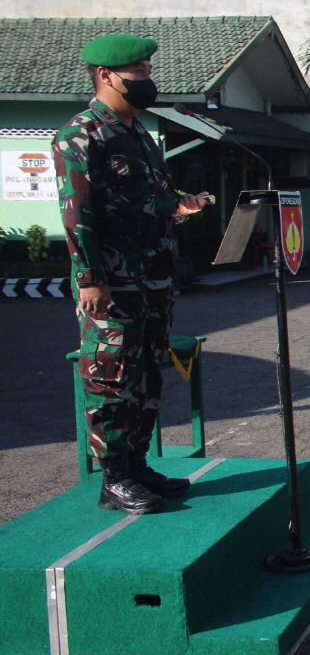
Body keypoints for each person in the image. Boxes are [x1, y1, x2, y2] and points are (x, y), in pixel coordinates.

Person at [53, 33, 212, 514]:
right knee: (111, 377)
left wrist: (182, 204)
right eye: (139, 73)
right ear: (106, 75)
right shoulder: (81, 135)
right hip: (114, 284)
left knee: (146, 376)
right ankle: (114, 478)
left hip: (153, 281)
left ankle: (138, 465)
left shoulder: (139, 136)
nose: (148, 81)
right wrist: (90, 280)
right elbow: (76, 215)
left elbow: (148, 200)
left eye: (147, 71)